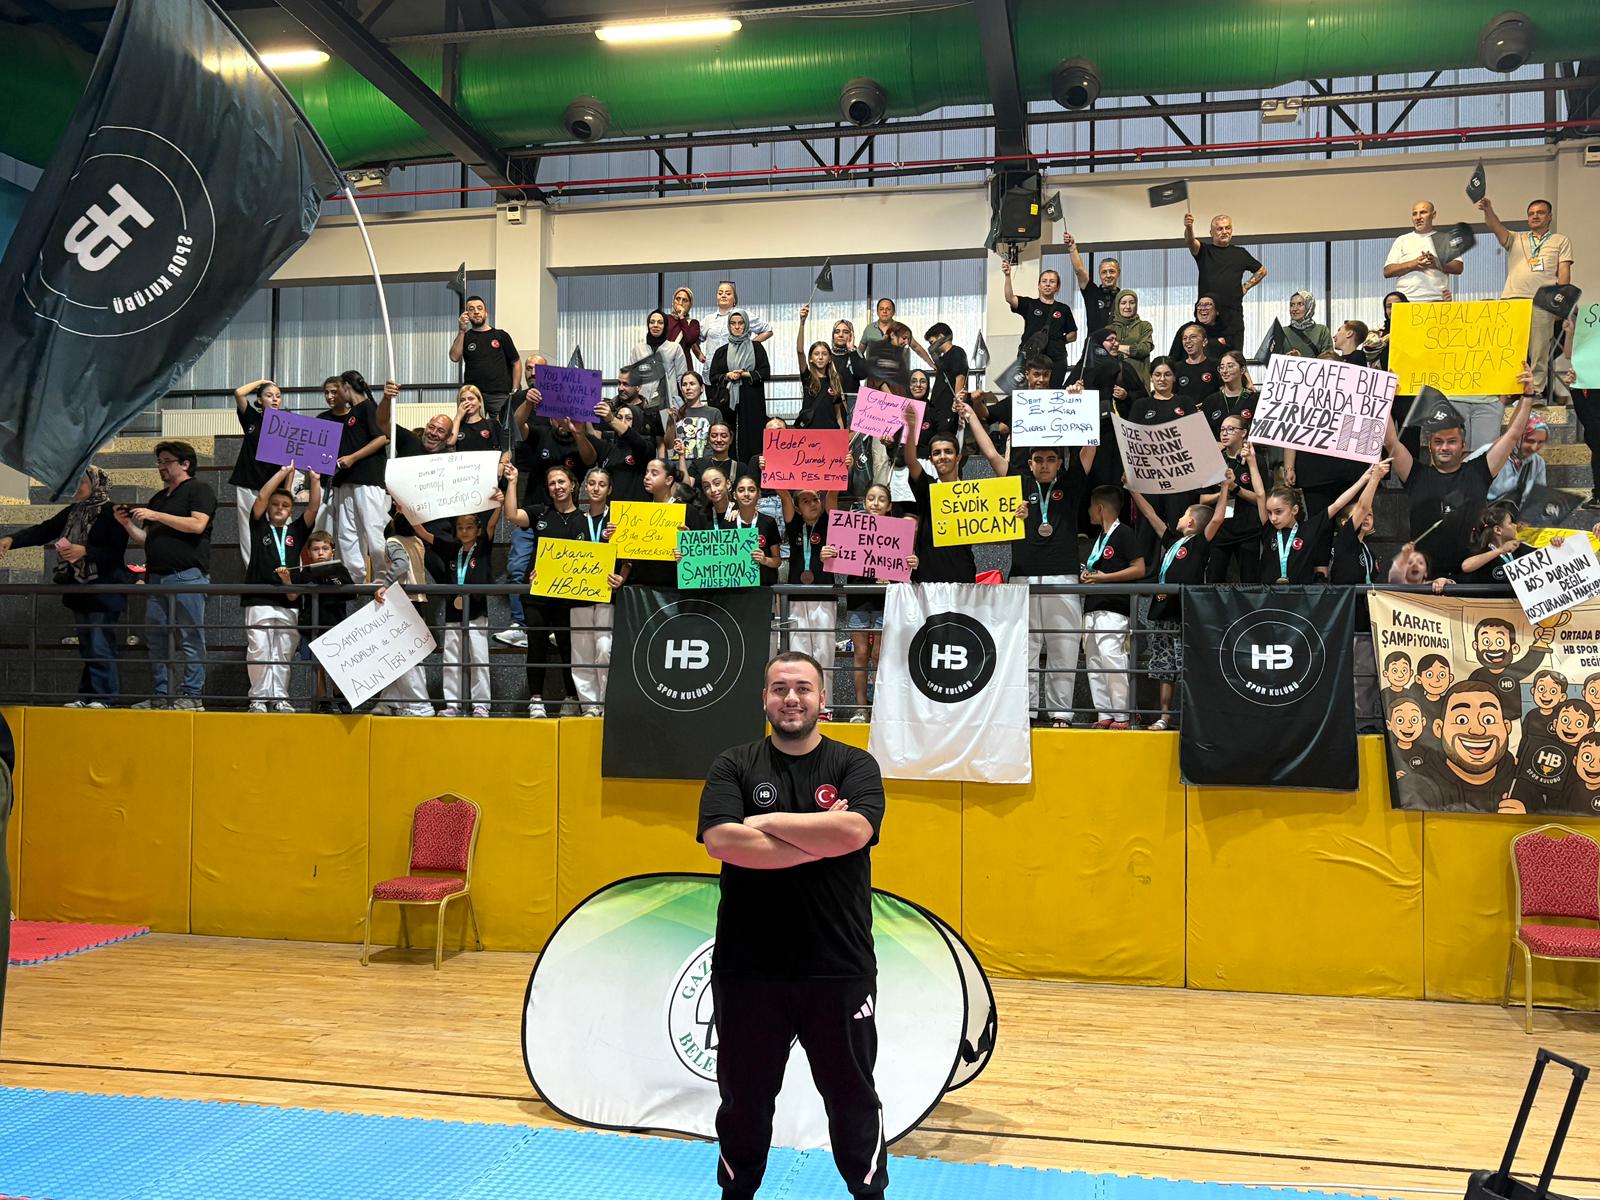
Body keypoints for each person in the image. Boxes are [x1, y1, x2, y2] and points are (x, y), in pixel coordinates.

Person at [697, 650, 888, 1200]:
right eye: (779, 688)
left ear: (822, 698)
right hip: (748, 968)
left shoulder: (855, 765)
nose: (791, 698)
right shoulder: (733, 764)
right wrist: (819, 837)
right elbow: (722, 841)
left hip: (838, 967)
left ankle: (869, 1194)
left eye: (803, 688)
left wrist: (767, 823)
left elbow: (854, 832)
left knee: (852, 1098)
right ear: (764, 698)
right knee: (744, 1101)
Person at [966, 407, 1093, 727]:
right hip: (1023, 577)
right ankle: (1027, 711)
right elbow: (991, 454)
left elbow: (1089, 448)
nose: (1045, 465)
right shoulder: (1018, 485)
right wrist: (971, 416)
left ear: (1060, 462)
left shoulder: (1071, 484)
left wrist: (1081, 404)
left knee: (1064, 648)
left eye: (1051, 459)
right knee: (1026, 648)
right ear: (1031, 463)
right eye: (1039, 460)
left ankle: (1061, 713)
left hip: (1063, 577)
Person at [0, 466, 129, 707]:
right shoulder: (74, 512)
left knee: (100, 643)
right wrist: (11, 540)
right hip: (79, 589)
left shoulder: (112, 512)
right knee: (88, 645)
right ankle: (88, 695)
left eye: (82, 482)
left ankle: (105, 697)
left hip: (103, 590)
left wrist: (86, 551)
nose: (77, 487)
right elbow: (44, 531)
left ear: (96, 484)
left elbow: (115, 553)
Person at [1385, 374, 1536, 574]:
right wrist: (1384, 398)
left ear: (1463, 445)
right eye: (1438, 442)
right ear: (1429, 446)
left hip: (1474, 576)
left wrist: (1528, 396)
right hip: (1427, 580)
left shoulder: (1479, 470)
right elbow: (1390, 442)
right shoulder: (1415, 474)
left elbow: (1512, 435)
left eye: (1452, 441)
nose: (1444, 447)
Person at [119, 441, 216, 711]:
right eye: (159, 462)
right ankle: (161, 695)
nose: (161, 466)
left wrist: (156, 515)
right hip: (157, 578)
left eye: (166, 461)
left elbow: (198, 524)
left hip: (186, 576)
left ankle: (192, 695)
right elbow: (146, 540)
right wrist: (126, 524)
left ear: (185, 464)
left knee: (191, 637)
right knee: (157, 638)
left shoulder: (199, 489)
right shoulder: (159, 498)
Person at [1129, 488, 1228, 730]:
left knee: (1188, 665)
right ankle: (1165, 716)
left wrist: (1225, 487)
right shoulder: (1173, 541)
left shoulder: (1200, 543)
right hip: (1163, 611)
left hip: (1186, 613)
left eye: (1184, 515)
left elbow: (1217, 518)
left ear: (1191, 522)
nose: (1179, 518)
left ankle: (1195, 716)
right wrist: (1133, 490)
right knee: (1164, 666)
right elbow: (1151, 515)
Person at [503, 462, 585, 717]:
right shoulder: (540, 513)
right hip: (537, 593)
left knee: (568, 647)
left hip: (568, 597)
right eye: (552, 483)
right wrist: (513, 481)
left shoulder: (584, 520)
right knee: (536, 645)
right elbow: (512, 515)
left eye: (561, 482)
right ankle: (536, 699)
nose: (557, 487)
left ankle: (571, 698)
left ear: (572, 485)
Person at [241, 463, 323, 713]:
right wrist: (282, 472)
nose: (279, 508)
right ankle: (258, 698)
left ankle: (279, 697)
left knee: (283, 651)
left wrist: (315, 480)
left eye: (285, 505)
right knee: (259, 649)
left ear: (290, 510)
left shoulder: (296, 530)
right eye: (275, 504)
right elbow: (261, 497)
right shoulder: (259, 527)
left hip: (289, 598)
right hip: (259, 597)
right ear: (269, 508)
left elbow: (313, 507)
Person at [1478, 196, 1575, 397]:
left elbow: (1564, 271)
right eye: (1531, 214)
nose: (1535, 216)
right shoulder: (1516, 238)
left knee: (1539, 350)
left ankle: (1535, 392)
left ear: (1549, 216)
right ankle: (1507, 392)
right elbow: (1495, 226)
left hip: (1542, 302)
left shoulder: (1560, 240)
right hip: (1512, 301)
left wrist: (1561, 304)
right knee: (1509, 349)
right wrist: (1488, 210)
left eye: (1540, 213)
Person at [412, 505, 502, 718]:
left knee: (479, 657)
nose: (464, 531)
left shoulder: (482, 547)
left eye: (469, 527)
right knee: (451, 658)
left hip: (477, 611)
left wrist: (498, 505)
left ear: (477, 530)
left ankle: (481, 705)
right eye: (460, 527)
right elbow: (423, 533)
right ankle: (453, 704)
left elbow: (491, 525)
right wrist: (409, 512)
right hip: (453, 612)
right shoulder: (451, 549)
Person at [1327, 461, 1391, 732]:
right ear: (1345, 523)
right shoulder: (1344, 540)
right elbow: (1362, 506)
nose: (1366, 516)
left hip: (1367, 618)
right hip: (1349, 618)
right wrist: (1373, 479)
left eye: (1370, 514)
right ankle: (1357, 725)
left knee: (1368, 674)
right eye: (1361, 514)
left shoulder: (1368, 550)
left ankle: (1366, 721)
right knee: (1355, 674)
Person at [1079, 485, 1146, 729]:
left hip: (1114, 607)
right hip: (1093, 606)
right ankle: (1104, 713)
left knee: (1111, 657)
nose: (1088, 511)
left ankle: (1123, 714)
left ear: (1099, 508)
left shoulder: (1124, 533)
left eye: (1090, 507)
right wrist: (1089, 576)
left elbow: (1139, 569)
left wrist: (1104, 578)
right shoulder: (1100, 538)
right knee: (1094, 661)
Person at [318, 370, 390, 582]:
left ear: (346, 387)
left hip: (367, 479)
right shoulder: (349, 415)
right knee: (347, 533)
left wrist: (353, 457)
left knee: (373, 528)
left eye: (338, 389)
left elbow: (382, 438)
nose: (335, 394)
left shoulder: (368, 408)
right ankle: (354, 576)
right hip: (344, 480)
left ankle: (383, 576)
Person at [778, 488, 837, 708]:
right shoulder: (794, 525)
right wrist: (771, 473)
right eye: (805, 501)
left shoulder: (828, 522)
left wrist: (841, 473)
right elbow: (784, 495)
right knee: (798, 656)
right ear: (797, 508)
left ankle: (825, 707)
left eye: (815, 499)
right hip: (796, 598)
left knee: (825, 655)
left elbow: (832, 496)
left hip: (824, 596)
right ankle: (801, 705)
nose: (812, 503)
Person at [903, 406, 976, 584]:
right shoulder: (927, 487)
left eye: (948, 451)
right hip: (928, 577)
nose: (942, 456)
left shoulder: (973, 494)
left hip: (963, 576)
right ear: (931, 459)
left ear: (958, 457)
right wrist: (911, 427)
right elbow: (911, 461)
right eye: (936, 453)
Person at [371, 515, 434, 717]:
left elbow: (401, 565)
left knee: (405, 656)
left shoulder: (393, 541)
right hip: (419, 601)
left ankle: (420, 704)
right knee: (399, 654)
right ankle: (390, 701)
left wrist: (385, 583)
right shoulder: (417, 541)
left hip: (403, 601)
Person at [569, 467, 616, 717]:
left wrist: (622, 575)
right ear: (585, 487)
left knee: (605, 649)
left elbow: (628, 557)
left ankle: (607, 703)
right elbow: (561, 558)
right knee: (581, 653)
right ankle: (589, 706)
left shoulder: (616, 521)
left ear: (609, 489)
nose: (596, 488)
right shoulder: (576, 520)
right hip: (579, 596)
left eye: (602, 484)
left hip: (608, 594)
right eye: (592, 483)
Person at [1183, 212, 1266, 348]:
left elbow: (1262, 270)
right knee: (1206, 357)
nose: (1224, 232)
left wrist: (1246, 286)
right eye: (1219, 229)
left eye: (1228, 228)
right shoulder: (1204, 251)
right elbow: (1190, 241)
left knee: (1234, 357)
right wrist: (1189, 227)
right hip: (1208, 318)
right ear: (1211, 232)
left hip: (1233, 319)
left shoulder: (1240, 253)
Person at [228, 379, 287, 566]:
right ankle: (251, 570)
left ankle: (282, 569)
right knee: (248, 529)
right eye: (269, 396)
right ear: (260, 400)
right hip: (248, 482)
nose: (275, 399)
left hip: (274, 486)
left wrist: (287, 490)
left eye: (278, 396)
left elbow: (290, 462)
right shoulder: (252, 417)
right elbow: (238, 393)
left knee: (279, 528)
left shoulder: (286, 424)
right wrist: (262, 381)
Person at [449, 295, 520, 444]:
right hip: (473, 395)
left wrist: (514, 390)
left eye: (479, 308)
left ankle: (506, 459)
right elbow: (454, 357)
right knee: (469, 431)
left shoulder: (501, 335)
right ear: (467, 314)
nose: (476, 312)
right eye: (471, 309)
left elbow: (516, 362)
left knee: (505, 433)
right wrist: (461, 331)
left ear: (486, 313)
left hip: (499, 394)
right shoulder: (465, 336)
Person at [709, 311, 772, 463]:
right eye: (733, 323)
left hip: (752, 399)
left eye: (741, 323)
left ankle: (752, 471)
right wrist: (727, 375)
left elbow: (765, 372)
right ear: (729, 326)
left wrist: (744, 374)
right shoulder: (721, 351)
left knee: (753, 435)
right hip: (728, 404)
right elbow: (713, 377)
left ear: (746, 325)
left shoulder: (757, 348)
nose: (737, 327)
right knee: (730, 435)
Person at [1204, 416, 1261, 583]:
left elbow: (1261, 499)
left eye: (1230, 429)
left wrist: (1235, 488)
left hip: (1248, 530)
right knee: (1213, 579)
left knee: (1250, 581)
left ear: (1244, 433)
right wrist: (1223, 493)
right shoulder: (1213, 461)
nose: (1224, 433)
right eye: (1222, 429)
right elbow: (1202, 499)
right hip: (1219, 530)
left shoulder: (1254, 460)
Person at [1001, 261, 1077, 384]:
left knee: (1054, 392)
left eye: (1052, 282)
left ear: (1057, 287)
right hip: (1031, 358)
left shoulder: (1063, 309)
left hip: (1056, 359)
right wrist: (1007, 276)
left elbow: (1073, 334)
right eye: (1044, 281)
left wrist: (1059, 340)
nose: (1048, 284)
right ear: (1039, 285)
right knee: (1027, 391)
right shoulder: (1030, 304)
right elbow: (1010, 298)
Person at [1383, 201, 1462, 301]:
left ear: (1433, 215)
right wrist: (1413, 264)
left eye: (1423, 212)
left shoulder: (1446, 239)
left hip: (1436, 300)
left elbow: (1458, 268)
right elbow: (1388, 271)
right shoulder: (1402, 240)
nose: (1418, 217)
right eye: (1414, 214)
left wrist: (1436, 262)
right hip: (1406, 301)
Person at [795, 307, 849, 430]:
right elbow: (800, 351)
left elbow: (838, 415)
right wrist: (802, 322)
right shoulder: (807, 378)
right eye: (816, 354)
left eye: (824, 354)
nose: (820, 357)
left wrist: (841, 436)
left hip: (831, 433)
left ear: (829, 358)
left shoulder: (835, 380)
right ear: (810, 358)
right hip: (810, 432)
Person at [1484, 414, 1549, 509]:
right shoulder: (1492, 454)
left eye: (1540, 442)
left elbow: (1538, 497)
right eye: (1529, 441)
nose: (1534, 448)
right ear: (1517, 436)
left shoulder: (1538, 462)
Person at [701, 281, 773, 365]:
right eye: (720, 293)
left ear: (734, 299)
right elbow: (693, 339)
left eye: (728, 293)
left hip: (736, 365)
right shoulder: (708, 319)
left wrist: (750, 346)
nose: (723, 295)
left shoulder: (743, 315)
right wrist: (699, 354)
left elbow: (768, 330)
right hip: (712, 367)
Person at [1067, 235, 1122, 342]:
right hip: (1094, 346)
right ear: (1099, 274)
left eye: (1112, 271)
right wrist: (1072, 248)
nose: (1108, 275)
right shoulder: (1092, 292)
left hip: (1116, 346)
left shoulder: (1123, 297)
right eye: (1104, 272)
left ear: (1118, 273)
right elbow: (1079, 271)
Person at [633, 308, 689, 406]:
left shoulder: (674, 348)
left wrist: (687, 403)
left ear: (665, 326)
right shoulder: (638, 349)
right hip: (643, 402)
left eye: (660, 322)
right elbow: (633, 378)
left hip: (668, 403)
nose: (655, 325)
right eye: (652, 322)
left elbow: (682, 377)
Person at [1200, 351, 1257, 437]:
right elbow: (1202, 433)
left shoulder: (1254, 399)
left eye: (1230, 366)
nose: (1224, 371)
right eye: (1221, 367)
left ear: (1242, 370)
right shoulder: (1210, 401)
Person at [1108, 290, 1153, 389]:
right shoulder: (1109, 329)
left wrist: (1117, 348)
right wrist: (1132, 351)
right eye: (1123, 303)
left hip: (1138, 381)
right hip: (1114, 382)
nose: (1128, 307)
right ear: (1117, 305)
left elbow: (1145, 349)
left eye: (1132, 303)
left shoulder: (1144, 326)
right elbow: (1106, 353)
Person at [1167, 296, 1233, 359]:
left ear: (1217, 311)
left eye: (1208, 304)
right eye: (1199, 305)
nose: (1203, 308)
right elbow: (1173, 357)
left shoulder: (1226, 332)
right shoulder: (1187, 329)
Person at [1171, 324, 1219, 405]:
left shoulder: (1215, 365)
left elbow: (1223, 392)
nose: (1188, 341)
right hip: (1184, 411)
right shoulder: (1176, 367)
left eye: (1193, 337)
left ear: (1204, 342)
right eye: (1184, 338)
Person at [448, 384, 503, 452]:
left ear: (480, 402)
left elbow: (505, 449)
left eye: (471, 399)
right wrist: (458, 417)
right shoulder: (457, 425)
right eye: (462, 400)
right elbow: (450, 442)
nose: (467, 402)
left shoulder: (492, 424)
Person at [1283, 292, 1332, 358]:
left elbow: (1329, 359)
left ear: (1309, 306)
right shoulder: (1283, 332)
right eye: (1292, 305)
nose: (1294, 309)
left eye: (1300, 304)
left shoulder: (1322, 331)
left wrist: (1301, 361)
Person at [666, 285, 704, 365]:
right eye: (678, 299)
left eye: (685, 300)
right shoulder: (665, 319)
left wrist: (682, 318)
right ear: (673, 302)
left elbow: (689, 340)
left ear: (690, 305)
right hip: (665, 363)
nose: (680, 303)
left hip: (684, 364)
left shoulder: (693, 323)